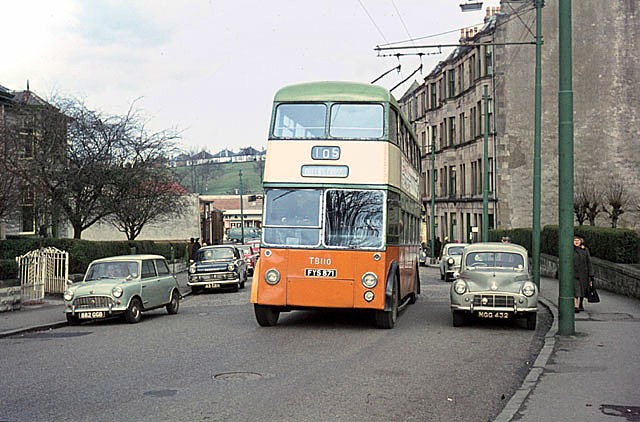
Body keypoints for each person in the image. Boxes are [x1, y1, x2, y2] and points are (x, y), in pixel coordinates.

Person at [573, 234, 594, 313]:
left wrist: (591, 274)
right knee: (575, 290)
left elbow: (589, 262)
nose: (576, 242)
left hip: (584, 274)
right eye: (575, 240)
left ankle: (580, 304)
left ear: (581, 241)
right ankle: (576, 306)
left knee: (583, 289)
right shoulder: (570, 250)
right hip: (574, 274)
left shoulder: (585, 250)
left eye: (578, 240)